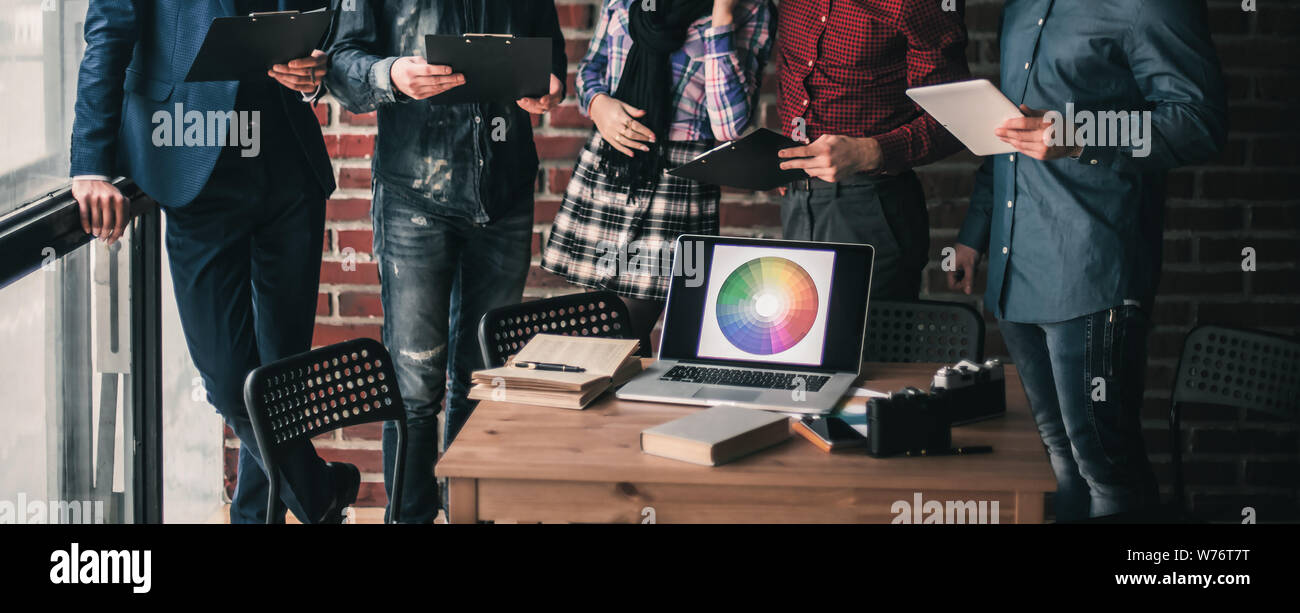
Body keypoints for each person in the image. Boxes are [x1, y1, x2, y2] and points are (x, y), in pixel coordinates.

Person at [70, 0, 357, 523]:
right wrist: (90, 163)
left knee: (279, 380)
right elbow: (108, 32)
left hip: (287, 161)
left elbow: (316, 21)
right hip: (190, 159)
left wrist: (314, 71)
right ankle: (320, 493)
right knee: (229, 381)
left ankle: (260, 517)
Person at [948, 0, 1227, 520]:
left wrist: (1085, 135)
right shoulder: (1021, 7)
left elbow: (1199, 120)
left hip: (1092, 269)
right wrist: (974, 234)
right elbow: (1006, 132)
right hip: (1016, 266)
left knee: (1106, 468)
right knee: (1056, 458)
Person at [327, 1, 567, 524]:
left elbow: (549, 53)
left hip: (504, 191)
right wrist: (389, 73)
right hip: (414, 193)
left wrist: (551, 86)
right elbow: (340, 64)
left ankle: (466, 514)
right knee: (414, 388)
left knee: (483, 377)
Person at [541, 0, 774, 348]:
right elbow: (592, 69)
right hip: (612, 169)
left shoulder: (751, 9)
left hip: (678, 184)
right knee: (606, 330)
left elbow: (730, 126)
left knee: (621, 336)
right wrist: (598, 105)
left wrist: (722, 17)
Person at [773, 0, 970, 300]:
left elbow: (958, 118)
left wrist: (871, 151)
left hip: (871, 205)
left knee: (863, 345)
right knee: (800, 343)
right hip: (796, 200)